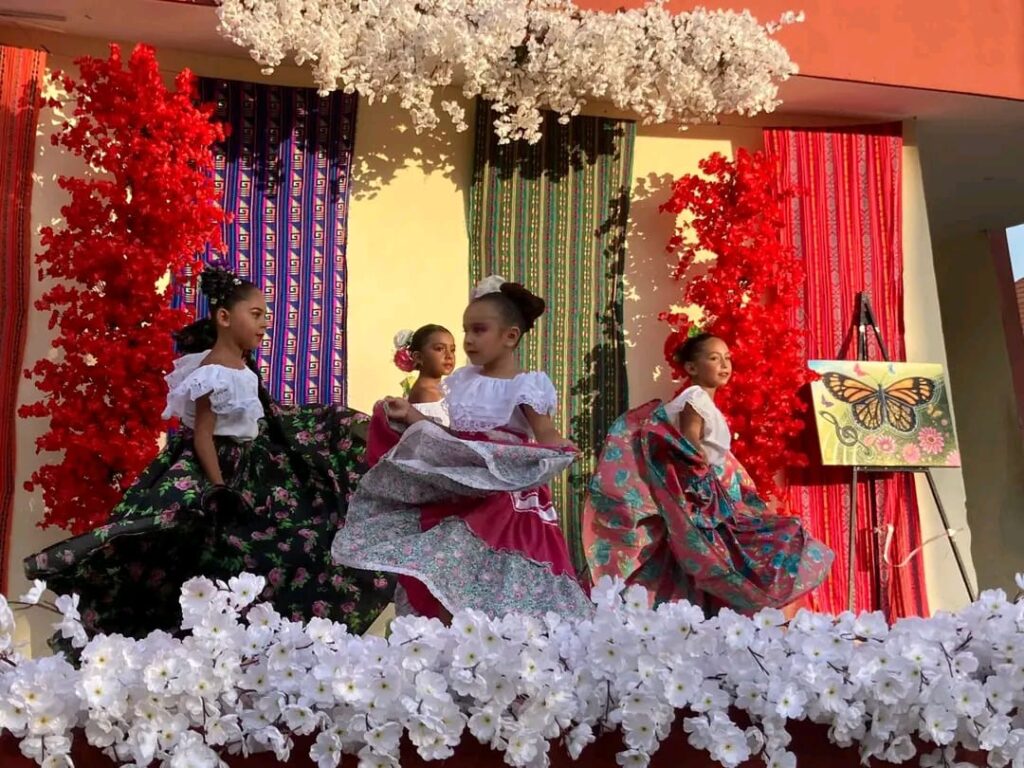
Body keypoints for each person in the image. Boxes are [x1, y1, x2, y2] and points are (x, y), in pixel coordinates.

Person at [25, 267, 394, 642]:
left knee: (305, 530)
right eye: (255, 314)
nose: (264, 323)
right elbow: (202, 435)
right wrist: (218, 486)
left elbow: (258, 417)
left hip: (258, 468)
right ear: (223, 317)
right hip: (224, 469)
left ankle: (276, 634)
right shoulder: (211, 372)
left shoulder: (244, 369)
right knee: (208, 551)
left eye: (266, 315)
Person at [332, 276, 592, 621]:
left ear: (510, 336)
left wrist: (561, 447)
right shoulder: (462, 383)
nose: (468, 340)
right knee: (447, 558)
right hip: (465, 483)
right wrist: (410, 415)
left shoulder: (527, 386)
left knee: (505, 574)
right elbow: (453, 438)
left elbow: (546, 435)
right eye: (466, 330)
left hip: (506, 495)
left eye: (479, 330)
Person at [582, 332, 834, 613]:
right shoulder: (695, 397)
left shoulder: (702, 400)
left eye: (727, 358)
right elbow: (690, 441)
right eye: (714, 358)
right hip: (704, 495)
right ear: (691, 368)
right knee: (764, 542)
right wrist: (702, 477)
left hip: (712, 492)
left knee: (714, 560)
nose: (724, 364)